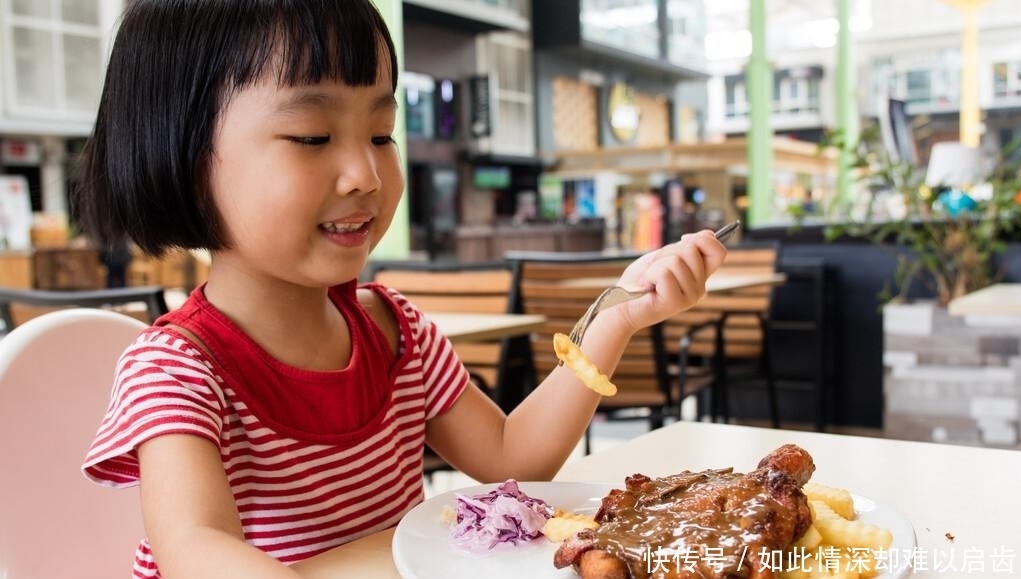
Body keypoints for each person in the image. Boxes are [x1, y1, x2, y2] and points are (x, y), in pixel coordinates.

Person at [71, 1, 727, 578]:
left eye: (381, 133)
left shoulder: (395, 332)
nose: (364, 172)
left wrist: (613, 316)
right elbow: (195, 545)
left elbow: (514, 454)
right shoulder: (177, 369)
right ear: (181, 159)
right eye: (312, 137)